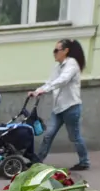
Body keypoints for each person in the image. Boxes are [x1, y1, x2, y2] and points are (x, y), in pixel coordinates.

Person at [28, 39, 90, 171]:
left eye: (56, 50)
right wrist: (37, 91)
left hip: (71, 107)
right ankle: (38, 161)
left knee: (74, 137)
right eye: (54, 50)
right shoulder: (57, 67)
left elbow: (62, 81)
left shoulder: (72, 64)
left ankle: (84, 161)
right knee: (48, 134)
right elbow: (50, 82)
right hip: (58, 109)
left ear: (65, 51)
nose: (54, 53)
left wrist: (44, 90)